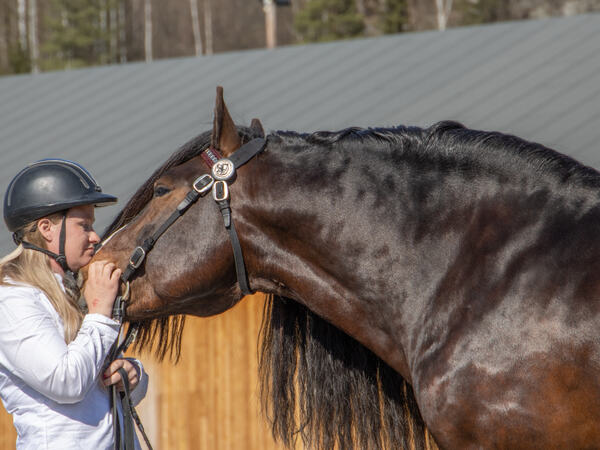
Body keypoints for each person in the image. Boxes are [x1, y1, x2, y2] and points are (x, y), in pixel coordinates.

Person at [0, 159, 148, 449]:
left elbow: (93, 387)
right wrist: (101, 314)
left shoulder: (71, 290)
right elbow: (66, 382)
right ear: (46, 228)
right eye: (84, 225)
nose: (96, 236)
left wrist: (132, 375)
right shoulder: (12, 300)